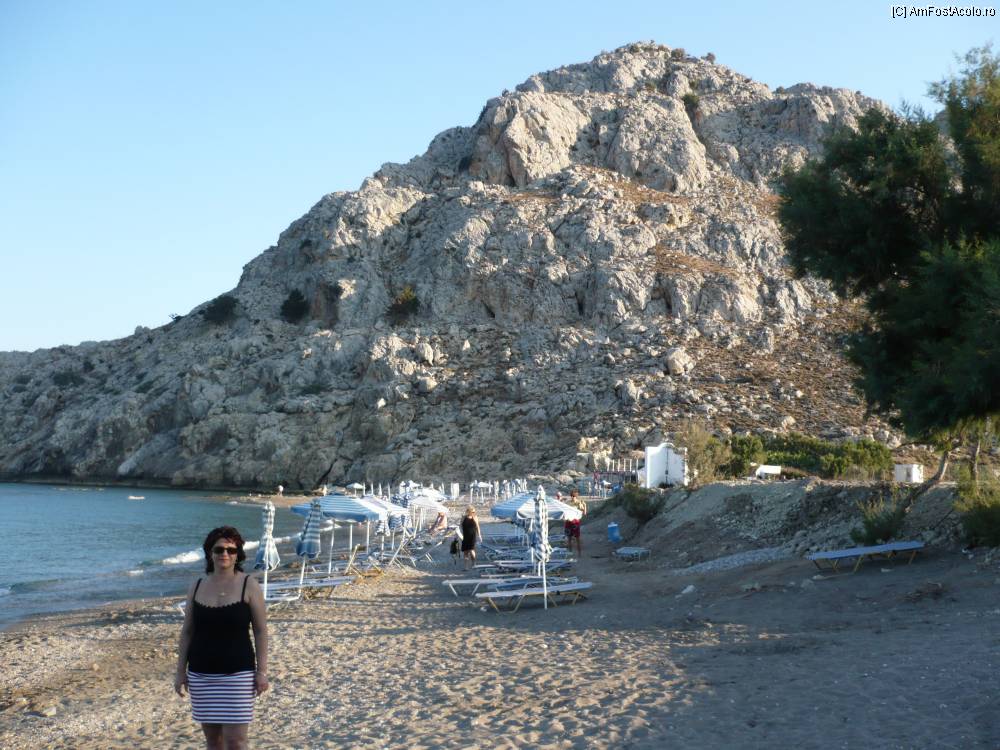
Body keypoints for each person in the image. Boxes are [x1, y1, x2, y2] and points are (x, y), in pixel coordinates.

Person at [175, 526, 269, 750]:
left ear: (238, 554)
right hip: (201, 674)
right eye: (219, 549)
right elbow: (187, 631)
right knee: (213, 741)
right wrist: (180, 672)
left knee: (236, 742)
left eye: (231, 550)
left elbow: (260, 631)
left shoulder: (249, 585)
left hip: (238, 675)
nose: (224, 554)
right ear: (210, 553)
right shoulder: (197, 586)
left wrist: (262, 672)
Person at [564, 489, 587, 556]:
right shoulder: (568, 503)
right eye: (571, 496)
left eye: (573, 496)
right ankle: (570, 553)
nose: (572, 497)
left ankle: (579, 554)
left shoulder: (579, 503)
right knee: (569, 539)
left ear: (576, 496)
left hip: (575, 522)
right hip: (568, 522)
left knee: (577, 539)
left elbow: (584, 513)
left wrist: (584, 505)